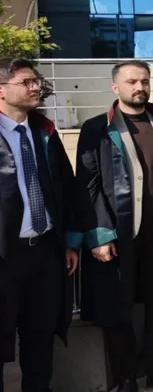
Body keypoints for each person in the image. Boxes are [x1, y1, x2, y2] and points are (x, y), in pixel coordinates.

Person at [76, 61, 153, 392]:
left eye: (144, 80)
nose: (139, 87)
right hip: (119, 235)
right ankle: (126, 377)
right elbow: (87, 185)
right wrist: (99, 234)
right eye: (131, 82)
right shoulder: (97, 128)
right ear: (116, 87)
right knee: (119, 308)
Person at [0, 58, 81, 392]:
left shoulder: (44, 132)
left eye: (37, 81)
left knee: (40, 333)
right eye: (26, 82)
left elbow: (66, 187)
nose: (36, 88)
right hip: (5, 256)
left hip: (45, 251)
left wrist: (70, 241)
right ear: (1, 89)